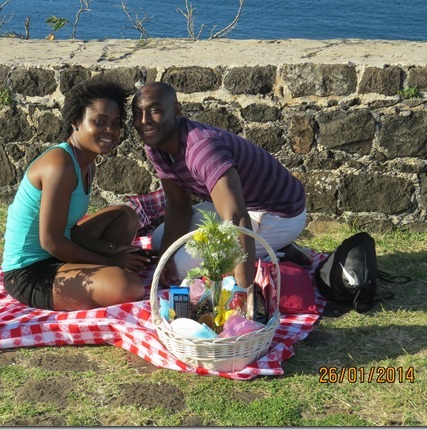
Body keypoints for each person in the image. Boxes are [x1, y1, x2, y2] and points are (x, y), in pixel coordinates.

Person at [131, 81, 308, 291]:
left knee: (180, 268)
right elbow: (179, 205)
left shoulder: (202, 149)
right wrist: (164, 258)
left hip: (277, 214)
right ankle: (268, 247)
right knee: (160, 241)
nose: (144, 121)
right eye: (137, 113)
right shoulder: (156, 145)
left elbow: (236, 217)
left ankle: (277, 248)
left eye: (155, 111)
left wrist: (244, 292)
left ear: (176, 110)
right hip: (240, 203)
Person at [2, 77, 150, 311]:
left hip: (58, 255)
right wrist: (110, 261)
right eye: (99, 122)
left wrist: (113, 250)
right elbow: (51, 241)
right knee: (129, 286)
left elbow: (69, 229)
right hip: (29, 273)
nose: (110, 131)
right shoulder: (60, 164)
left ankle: (104, 271)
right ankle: (107, 273)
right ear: (75, 122)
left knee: (125, 216)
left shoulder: (86, 162)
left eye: (116, 122)